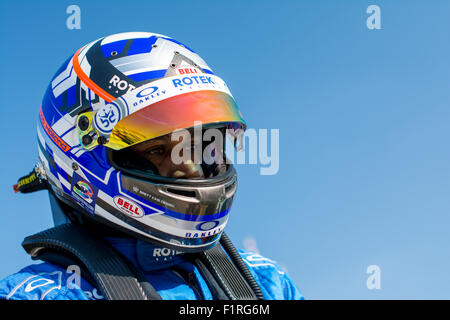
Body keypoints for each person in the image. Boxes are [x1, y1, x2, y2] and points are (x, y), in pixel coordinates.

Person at [0, 32, 303, 300]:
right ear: (81, 159)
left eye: (196, 146)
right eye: (158, 149)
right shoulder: (43, 293)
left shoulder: (267, 282)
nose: (190, 169)